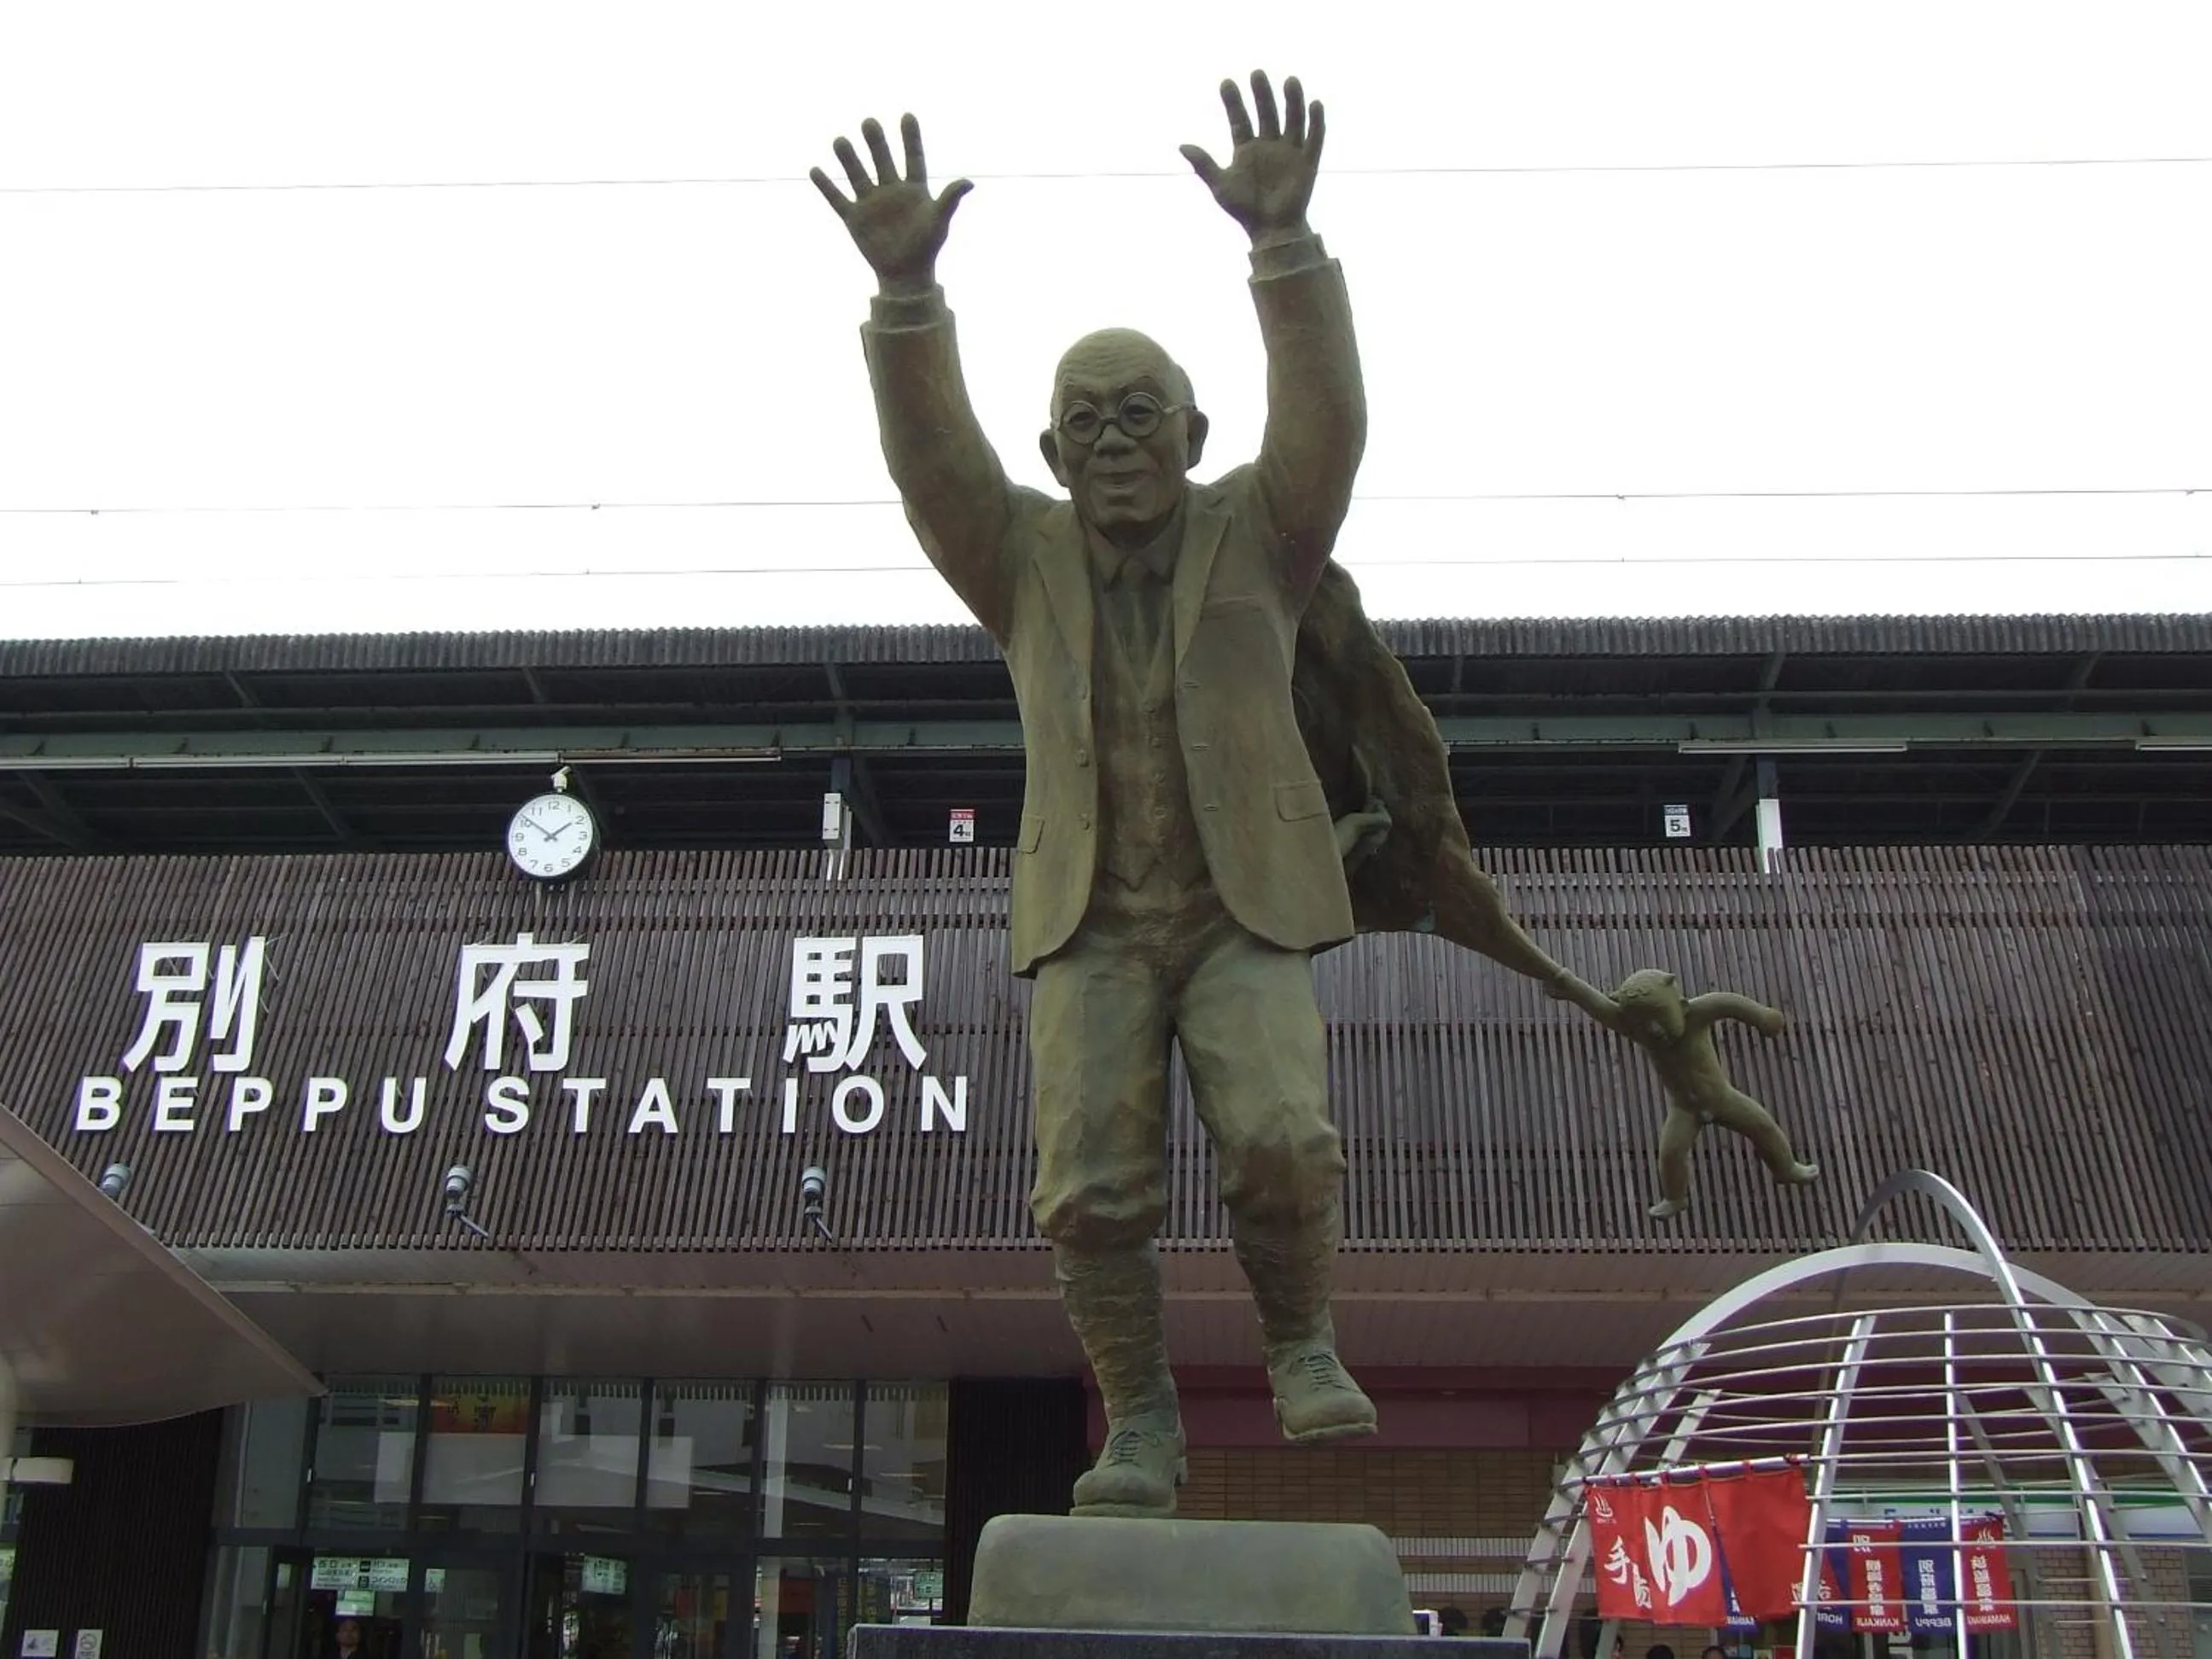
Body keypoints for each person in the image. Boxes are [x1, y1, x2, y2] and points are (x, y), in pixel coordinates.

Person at [813, 71, 1379, 1518]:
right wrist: (904, 298)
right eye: (1086, 422)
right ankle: (1137, 1424)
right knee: (1088, 1191)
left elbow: (1326, 418)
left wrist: (1283, 246)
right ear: (1055, 456)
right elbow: (932, 460)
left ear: (1193, 436)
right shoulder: (1018, 560)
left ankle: (1301, 1341)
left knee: (1279, 1136)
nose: (1115, 439)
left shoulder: (1261, 531)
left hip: (1237, 907)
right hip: (1092, 921)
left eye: (1144, 415)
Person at [1551, 969, 1817, 1217]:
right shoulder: (1635, 1029)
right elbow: (1598, 1006)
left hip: (1723, 1098)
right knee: (1671, 1153)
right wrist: (1571, 986)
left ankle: (1787, 1168)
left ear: (1681, 1005)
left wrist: (1761, 1017)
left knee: (1763, 1126)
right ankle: (1675, 1198)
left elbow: (1728, 1002)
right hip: (1684, 1109)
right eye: (1643, 1025)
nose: (1654, 1030)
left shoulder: (1698, 1013)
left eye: (1659, 1018)